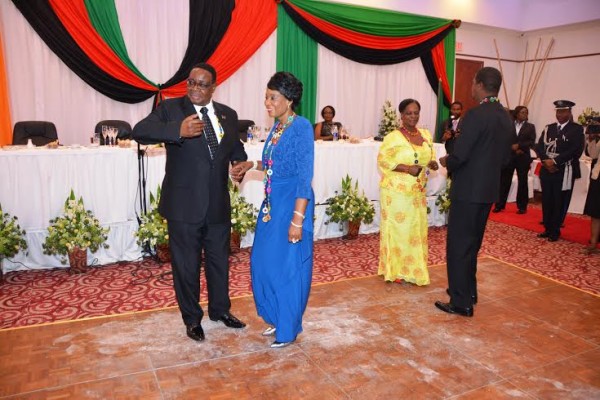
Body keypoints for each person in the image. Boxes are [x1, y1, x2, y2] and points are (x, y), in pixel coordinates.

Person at [132, 63, 247, 342]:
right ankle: (192, 319)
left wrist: (240, 163)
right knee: (186, 265)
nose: (195, 88)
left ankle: (220, 310)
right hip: (184, 204)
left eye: (202, 84)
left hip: (217, 203)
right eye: (191, 83)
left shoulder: (228, 115)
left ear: (213, 88)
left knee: (219, 261)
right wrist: (177, 130)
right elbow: (140, 131)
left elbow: (235, 147)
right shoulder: (171, 110)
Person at [233, 72, 315, 348]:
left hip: (293, 203)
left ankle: (288, 327)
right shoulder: (278, 127)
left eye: (273, 97)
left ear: (289, 100)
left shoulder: (301, 127)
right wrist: (251, 166)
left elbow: (304, 176)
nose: (267, 102)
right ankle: (276, 316)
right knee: (263, 262)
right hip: (272, 203)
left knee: (287, 267)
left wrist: (297, 220)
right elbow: (274, 164)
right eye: (266, 96)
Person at [435, 67, 513, 317]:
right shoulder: (505, 116)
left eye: (472, 83)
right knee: (473, 243)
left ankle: (461, 303)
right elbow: (505, 159)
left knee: (459, 244)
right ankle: (468, 291)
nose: (471, 87)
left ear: (479, 84)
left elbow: (461, 154)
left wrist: (449, 161)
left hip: (468, 189)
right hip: (488, 189)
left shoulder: (475, 115)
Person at [377, 99, 439, 285]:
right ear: (401, 116)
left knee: (415, 231)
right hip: (396, 192)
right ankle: (396, 270)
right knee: (399, 230)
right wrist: (406, 168)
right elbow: (383, 161)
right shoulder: (393, 137)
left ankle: (413, 269)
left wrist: (432, 163)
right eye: (409, 113)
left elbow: (430, 155)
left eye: (416, 113)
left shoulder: (426, 135)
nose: (413, 116)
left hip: (417, 192)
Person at [535, 100, 584, 242]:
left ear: (569, 112)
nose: (560, 114)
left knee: (560, 200)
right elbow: (539, 146)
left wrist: (555, 161)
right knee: (547, 199)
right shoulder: (548, 128)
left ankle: (555, 230)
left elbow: (576, 150)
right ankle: (547, 228)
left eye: (563, 111)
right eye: (558, 111)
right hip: (547, 169)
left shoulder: (576, 129)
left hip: (563, 171)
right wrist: (546, 161)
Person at [493, 106, 537, 214]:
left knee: (523, 182)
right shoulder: (508, 125)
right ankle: (499, 205)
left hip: (523, 157)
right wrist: (512, 148)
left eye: (526, 112)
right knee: (504, 181)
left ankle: (522, 207)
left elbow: (531, 141)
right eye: (522, 112)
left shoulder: (531, 127)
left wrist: (520, 146)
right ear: (516, 114)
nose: (525, 114)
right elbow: (503, 139)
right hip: (509, 156)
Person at [583, 117, 600, 255]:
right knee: (595, 212)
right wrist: (592, 138)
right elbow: (593, 155)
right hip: (598, 177)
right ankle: (593, 243)